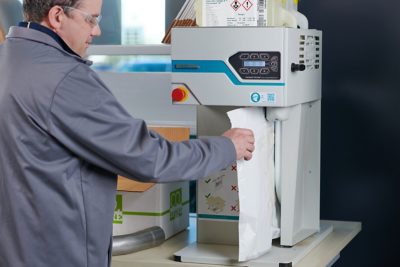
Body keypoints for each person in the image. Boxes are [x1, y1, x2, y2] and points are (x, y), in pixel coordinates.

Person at [0, 0, 255, 266]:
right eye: (91, 19)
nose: (97, 31)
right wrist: (227, 147)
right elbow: (148, 158)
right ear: (56, 16)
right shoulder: (64, 79)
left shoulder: (7, 60)